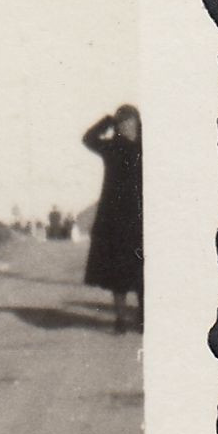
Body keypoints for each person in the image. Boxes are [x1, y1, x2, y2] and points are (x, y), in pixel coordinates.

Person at [81, 105, 144, 333]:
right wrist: (106, 120)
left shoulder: (148, 147)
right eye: (122, 123)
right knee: (118, 274)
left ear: (138, 123)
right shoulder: (112, 148)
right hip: (115, 219)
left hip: (142, 217)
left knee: (142, 271)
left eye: (130, 121)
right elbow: (88, 138)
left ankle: (143, 317)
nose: (126, 126)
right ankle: (119, 319)